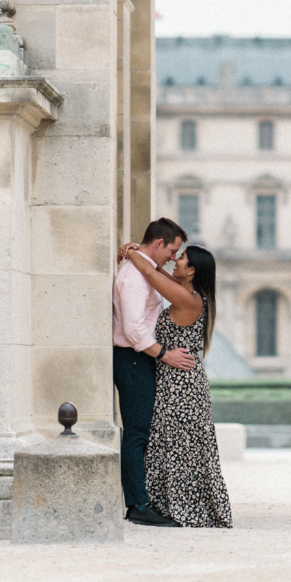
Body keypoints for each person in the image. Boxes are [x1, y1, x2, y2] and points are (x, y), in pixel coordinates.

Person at [119, 238, 232, 528]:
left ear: (192, 270)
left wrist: (132, 251)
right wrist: (139, 253)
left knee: (180, 446)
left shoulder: (188, 300)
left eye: (181, 258)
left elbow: (151, 273)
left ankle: (184, 507)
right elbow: (157, 271)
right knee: (171, 444)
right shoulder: (186, 292)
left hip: (182, 383)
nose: (175, 261)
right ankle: (171, 503)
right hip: (174, 379)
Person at [112, 216, 191, 527]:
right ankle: (137, 505)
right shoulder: (133, 277)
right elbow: (132, 328)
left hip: (139, 358)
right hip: (133, 358)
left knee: (140, 432)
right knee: (136, 433)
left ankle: (141, 500)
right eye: (172, 250)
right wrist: (164, 355)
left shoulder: (143, 270)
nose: (173, 257)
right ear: (158, 243)